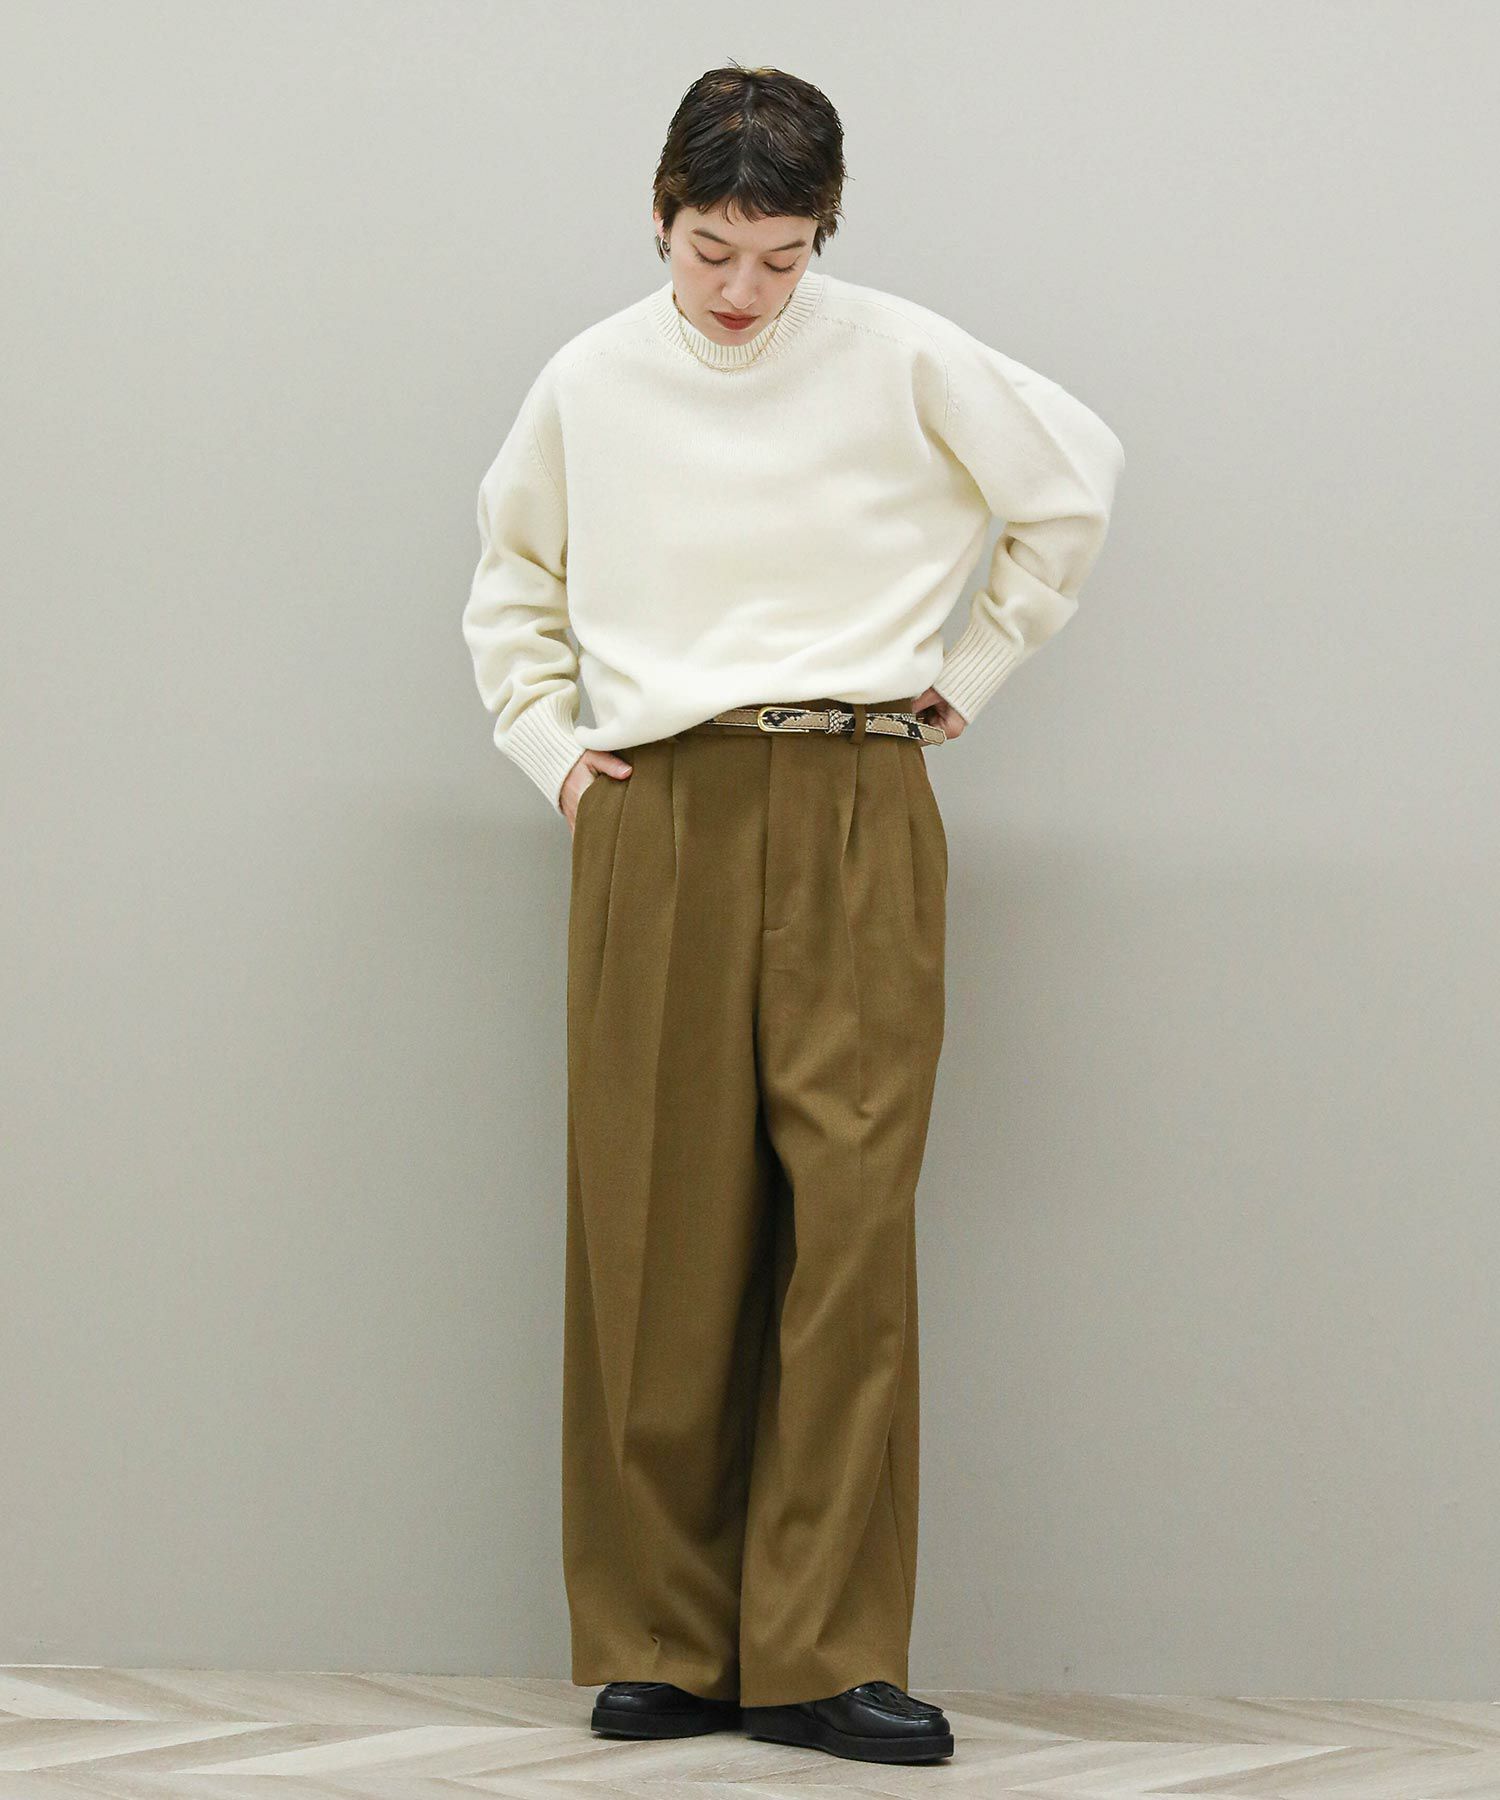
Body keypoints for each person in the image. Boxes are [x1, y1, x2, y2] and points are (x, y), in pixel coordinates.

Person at [461, 62, 1124, 1768]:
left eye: (781, 255)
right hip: (659, 805)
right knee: (654, 1224)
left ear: (826, 233)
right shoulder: (590, 378)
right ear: (660, 218)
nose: (744, 291)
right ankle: (665, 1642)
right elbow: (512, 581)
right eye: (711, 251)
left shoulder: (902, 353)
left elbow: (1072, 483)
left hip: (854, 796)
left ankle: (824, 1653)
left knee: (851, 1229)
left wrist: (974, 666)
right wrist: (553, 752)